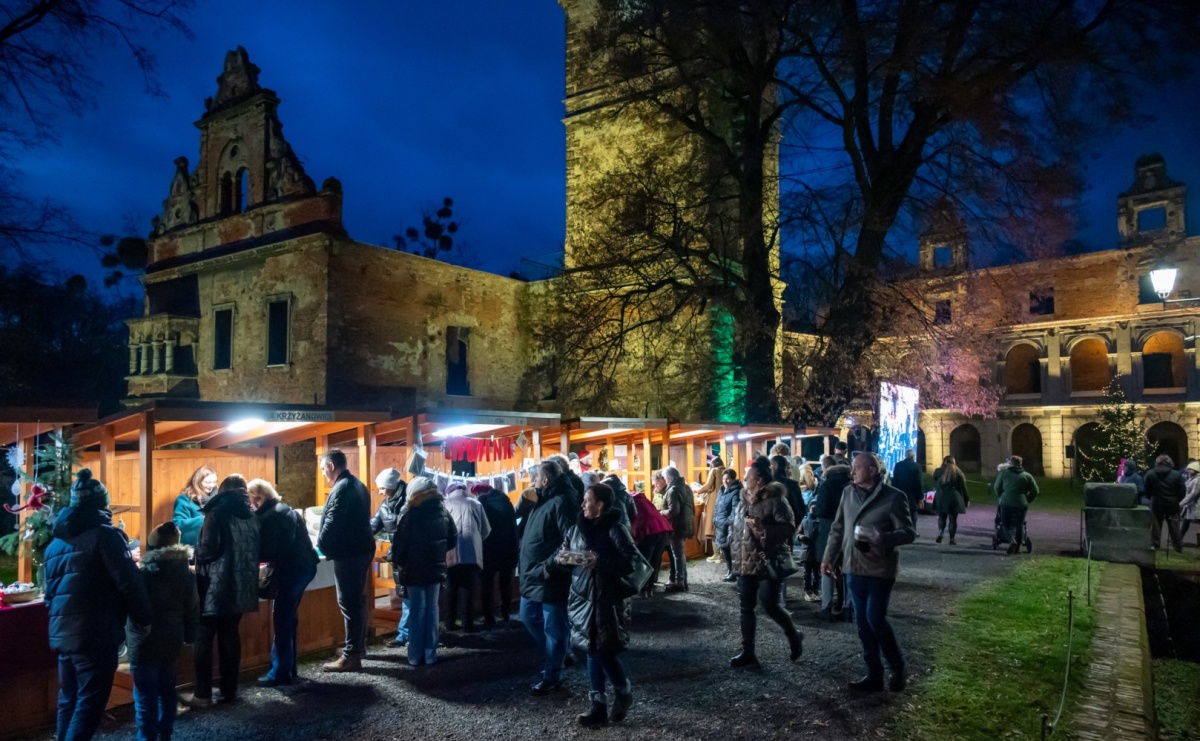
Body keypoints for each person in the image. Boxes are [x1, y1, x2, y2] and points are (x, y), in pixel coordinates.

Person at [44, 469, 153, 741]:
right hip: (95, 632)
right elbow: (129, 582)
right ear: (102, 503)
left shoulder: (55, 544)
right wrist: (144, 617)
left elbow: (50, 596)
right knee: (90, 703)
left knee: (69, 698)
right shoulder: (106, 536)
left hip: (63, 634)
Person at [821, 453, 916, 693]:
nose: (851, 472)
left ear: (872, 470)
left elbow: (908, 532)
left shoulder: (894, 497)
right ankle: (873, 674)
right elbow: (838, 528)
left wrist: (884, 538)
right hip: (853, 567)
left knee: (875, 618)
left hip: (879, 568)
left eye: (856, 468)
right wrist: (829, 557)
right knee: (862, 623)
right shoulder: (847, 493)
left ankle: (898, 667)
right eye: (852, 468)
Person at [554, 483, 639, 727]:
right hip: (582, 598)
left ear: (600, 505)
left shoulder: (616, 528)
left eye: (587, 500)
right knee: (591, 648)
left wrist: (600, 562)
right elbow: (565, 552)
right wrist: (562, 558)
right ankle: (597, 706)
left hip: (606, 599)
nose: (582, 505)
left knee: (603, 650)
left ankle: (622, 690)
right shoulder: (576, 528)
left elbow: (630, 562)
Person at [183, 474, 260, 708]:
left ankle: (202, 694)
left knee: (203, 638)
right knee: (230, 636)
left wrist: (193, 557)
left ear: (222, 490)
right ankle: (229, 690)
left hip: (214, 585)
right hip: (241, 586)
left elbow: (207, 551)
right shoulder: (251, 516)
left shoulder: (216, 514)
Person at [728, 457, 803, 668]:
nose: (743, 479)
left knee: (770, 605)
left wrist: (764, 529)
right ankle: (748, 652)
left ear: (759, 479)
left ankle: (794, 635)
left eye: (747, 476)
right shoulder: (743, 498)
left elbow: (789, 528)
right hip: (744, 561)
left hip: (766, 560)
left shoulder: (776, 500)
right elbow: (737, 527)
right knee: (746, 608)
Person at [126, 522, 198, 741]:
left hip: (145, 640)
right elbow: (193, 606)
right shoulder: (186, 572)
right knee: (167, 690)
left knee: (145, 695)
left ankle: (146, 737)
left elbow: (137, 607)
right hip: (173, 636)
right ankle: (165, 734)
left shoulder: (145, 573)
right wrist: (189, 635)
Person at [247, 478, 319, 686]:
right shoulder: (284, 509)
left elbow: (270, 550)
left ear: (258, 498)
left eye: (251, 500)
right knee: (288, 617)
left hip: (291, 569)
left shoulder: (271, 516)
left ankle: (279, 672)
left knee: (282, 619)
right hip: (304, 566)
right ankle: (289, 668)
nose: (249, 505)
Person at [519, 460, 581, 695]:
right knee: (528, 616)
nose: (533, 482)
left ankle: (552, 674)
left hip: (549, 575)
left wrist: (551, 567)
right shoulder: (542, 499)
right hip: (532, 575)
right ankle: (560, 654)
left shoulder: (563, 501)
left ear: (545, 479)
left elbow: (571, 541)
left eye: (535, 477)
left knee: (554, 627)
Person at [317, 449, 375, 672]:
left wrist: (321, 546)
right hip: (361, 549)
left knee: (349, 602)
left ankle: (352, 655)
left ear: (331, 466)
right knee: (357, 600)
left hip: (349, 553)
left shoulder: (342, 488)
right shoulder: (356, 484)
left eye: (323, 469)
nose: (323, 474)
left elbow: (333, 521)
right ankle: (358, 647)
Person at [390, 476, 456, 667]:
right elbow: (452, 540)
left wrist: (400, 563)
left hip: (415, 570)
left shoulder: (411, 514)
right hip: (436, 569)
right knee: (432, 609)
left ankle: (415, 654)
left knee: (417, 611)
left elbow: (399, 547)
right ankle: (430, 653)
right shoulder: (443, 512)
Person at [443, 481, 492, 632]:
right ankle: (467, 623)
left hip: (451, 552)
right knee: (468, 588)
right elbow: (486, 529)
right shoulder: (476, 504)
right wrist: (476, 541)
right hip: (472, 552)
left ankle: (449, 622)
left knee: (450, 587)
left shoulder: (446, 504)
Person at [370, 468, 409, 647]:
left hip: (414, 556)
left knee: (413, 597)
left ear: (392, 486)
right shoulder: (385, 505)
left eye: (382, 488)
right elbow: (372, 526)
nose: (380, 492)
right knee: (407, 596)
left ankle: (408, 635)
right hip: (400, 558)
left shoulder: (411, 501)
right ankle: (407, 634)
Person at [473, 482, 519, 629]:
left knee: (487, 584)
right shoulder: (506, 502)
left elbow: (480, 528)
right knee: (505, 584)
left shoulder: (483, 503)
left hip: (489, 550)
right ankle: (505, 612)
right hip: (507, 549)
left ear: (481, 492)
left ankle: (488, 615)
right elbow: (513, 528)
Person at [811, 454, 850, 621]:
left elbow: (823, 509)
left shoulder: (827, 485)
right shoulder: (852, 486)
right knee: (846, 569)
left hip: (829, 529)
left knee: (826, 567)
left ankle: (826, 605)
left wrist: (814, 509)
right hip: (849, 530)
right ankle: (847, 605)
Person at [629, 481, 673, 595]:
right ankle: (650, 587)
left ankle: (642, 588)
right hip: (662, 528)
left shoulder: (630, 500)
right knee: (655, 559)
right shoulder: (643, 499)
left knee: (645, 560)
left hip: (648, 530)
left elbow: (630, 517)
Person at [993, 455, 1039, 556]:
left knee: (1005, 524)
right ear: (1021, 464)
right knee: (1019, 525)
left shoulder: (1004, 474)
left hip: (1006, 501)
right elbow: (1035, 490)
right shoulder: (1027, 476)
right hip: (1021, 502)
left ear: (1011, 463)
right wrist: (1027, 499)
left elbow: (997, 487)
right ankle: (1017, 546)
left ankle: (1012, 540)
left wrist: (1001, 496)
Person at [659, 466, 695, 593]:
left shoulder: (673, 490)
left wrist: (661, 512)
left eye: (665, 478)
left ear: (670, 478)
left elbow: (673, 511)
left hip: (677, 526)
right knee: (680, 554)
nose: (664, 480)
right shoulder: (686, 487)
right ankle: (682, 581)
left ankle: (679, 582)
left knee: (677, 555)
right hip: (686, 524)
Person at [1144, 453, 1185, 552]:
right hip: (1172, 504)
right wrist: (1176, 499)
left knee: (1156, 526)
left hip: (1157, 503)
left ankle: (1155, 545)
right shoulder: (1176, 474)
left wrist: (1152, 497)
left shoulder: (1151, 473)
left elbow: (1147, 489)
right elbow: (1182, 491)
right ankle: (1177, 546)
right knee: (1174, 526)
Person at [173, 464, 217, 547]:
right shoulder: (184, 499)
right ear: (197, 482)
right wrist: (203, 520)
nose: (211, 485)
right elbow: (177, 524)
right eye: (207, 482)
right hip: (191, 548)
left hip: (213, 547)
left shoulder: (218, 498)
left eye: (214, 482)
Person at [932, 456, 969, 545]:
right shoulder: (957, 472)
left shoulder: (938, 471)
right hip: (953, 498)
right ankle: (951, 539)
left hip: (941, 497)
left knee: (942, 517)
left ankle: (941, 532)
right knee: (953, 519)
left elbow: (935, 478)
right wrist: (966, 499)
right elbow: (963, 487)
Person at [713, 469, 742, 583]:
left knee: (731, 550)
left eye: (728, 478)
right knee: (725, 549)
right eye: (724, 478)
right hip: (720, 524)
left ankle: (733, 572)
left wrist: (726, 522)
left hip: (728, 526)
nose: (726, 481)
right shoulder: (721, 490)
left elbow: (735, 510)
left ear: (734, 479)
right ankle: (729, 570)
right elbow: (717, 506)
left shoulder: (736, 491)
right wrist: (715, 519)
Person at [697, 456, 725, 563]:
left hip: (713, 502)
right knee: (720, 528)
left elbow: (708, 485)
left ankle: (716, 554)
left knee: (712, 529)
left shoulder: (714, 470)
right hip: (722, 502)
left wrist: (697, 491)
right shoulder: (725, 470)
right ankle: (723, 555)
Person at [891, 450, 925, 534]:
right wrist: (920, 497)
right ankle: (913, 530)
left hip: (900, 492)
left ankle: (902, 529)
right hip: (912, 493)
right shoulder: (916, 466)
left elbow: (895, 480)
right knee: (913, 512)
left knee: (901, 512)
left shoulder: (898, 465)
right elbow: (919, 482)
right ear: (913, 457)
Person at [797, 503, 820, 601]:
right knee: (807, 573)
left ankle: (815, 590)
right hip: (807, 551)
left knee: (817, 574)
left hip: (817, 552)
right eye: (812, 508)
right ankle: (808, 591)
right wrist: (800, 537)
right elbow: (798, 533)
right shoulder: (805, 521)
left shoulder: (821, 521)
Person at [1180, 461, 1200, 545]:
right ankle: (1179, 538)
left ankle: (1178, 538)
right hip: (1191, 505)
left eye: (1190, 469)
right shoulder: (1191, 478)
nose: (1188, 471)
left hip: (1196, 504)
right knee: (1186, 522)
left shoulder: (1197, 480)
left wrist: (1182, 503)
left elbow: (1193, 493)